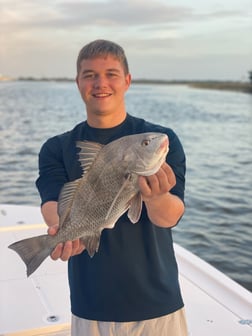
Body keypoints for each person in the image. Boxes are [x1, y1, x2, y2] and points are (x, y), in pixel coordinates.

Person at [36, 39, 187, 336]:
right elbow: (53, 203)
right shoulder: (56, 148)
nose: (100, 83)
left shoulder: (163, 139)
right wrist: (62, 232)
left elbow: (170, 217)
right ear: (78, 82)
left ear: (127, 81)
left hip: (158, 304)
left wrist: (156, 197)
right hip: (91, 305)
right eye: (90, 74)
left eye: (111, 74)